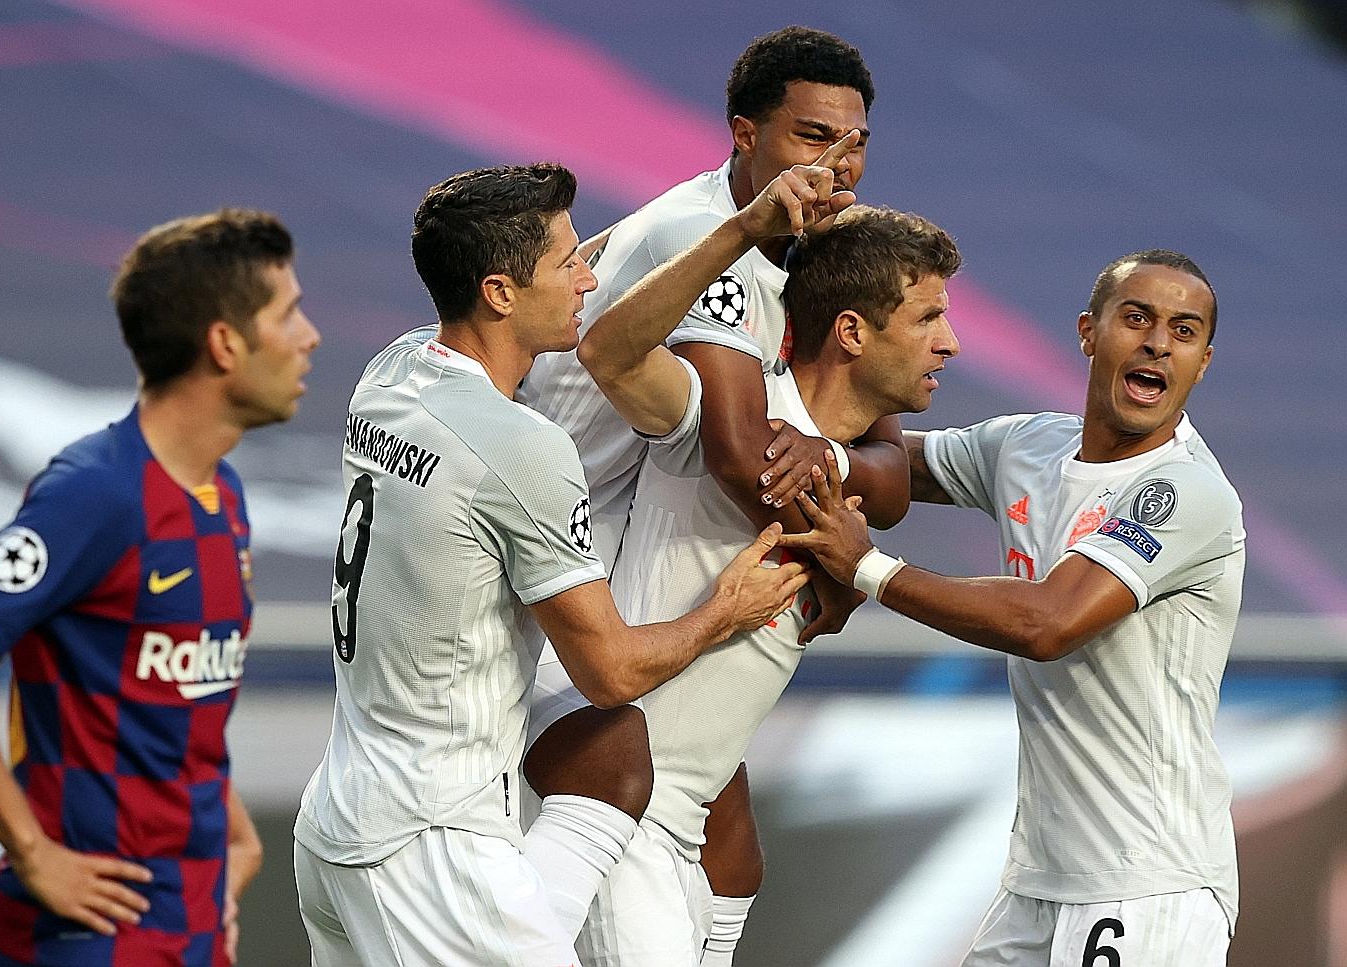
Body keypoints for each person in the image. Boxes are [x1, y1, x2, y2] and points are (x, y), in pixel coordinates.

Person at [290, 163, 808, 967]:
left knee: (612, 759)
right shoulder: (523, 448)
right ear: (499, 291)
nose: (590, 277)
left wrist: (728, 222)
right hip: (432, 849)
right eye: (567, 264)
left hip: (344, 817)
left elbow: (582, 256)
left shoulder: (389, 375)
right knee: (615, 728)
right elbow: (608, 669)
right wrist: (725, 611)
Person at [515, 27, 911, 961]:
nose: (837, 165)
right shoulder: (705, 238)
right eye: (812, 138)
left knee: (731, 860)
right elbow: (741, 456)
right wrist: (839, 562)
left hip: (633, 550)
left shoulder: (811, 245)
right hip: (554, 578)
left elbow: (883, 454)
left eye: (852, 143)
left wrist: (840, 484)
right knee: (628, 813)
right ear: (745, 136)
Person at [780, 250, 1241, 966]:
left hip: (1147, 884)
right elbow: (883, 464)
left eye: (1183, 331)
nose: (1157, 342)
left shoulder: (1183, 492)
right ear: (1089, 332)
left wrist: (865, 567)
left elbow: (1047, 622)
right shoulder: (1028, 446)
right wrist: (827, 390)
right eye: (1137, 318)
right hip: (1038, 883)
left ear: (1202, 363)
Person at [0, 209, 321, 966]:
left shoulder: (221, 492)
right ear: (225, 342)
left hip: (190, 918)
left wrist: (231, 821)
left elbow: (161, 700)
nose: (309, 335)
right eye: (286, 313)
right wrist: (31, 848)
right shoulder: (99, 492)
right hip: (91, 934)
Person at [571, 198, 960, 963]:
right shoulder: (732, 421)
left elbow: (877, 501)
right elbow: (612, 355)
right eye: (927, 319)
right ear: (852, 331)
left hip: (686, 831)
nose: (949, 343)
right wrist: (741, 231)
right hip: (623, 821)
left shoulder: (839, 468)